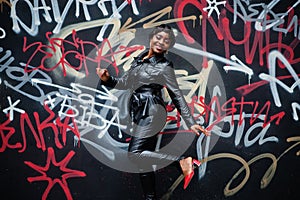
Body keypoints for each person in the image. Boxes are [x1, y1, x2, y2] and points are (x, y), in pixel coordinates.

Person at [97, 24, 210, 200]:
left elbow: (177, 95)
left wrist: (191, 121)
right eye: (158, 38)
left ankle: (181, 161)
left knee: (134, 155)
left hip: (153, 112)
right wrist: (107, 79)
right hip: (140, 113)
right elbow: (124, 84)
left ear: (168, 46)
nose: (161, 42)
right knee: (144, 164)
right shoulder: (139, 60)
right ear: (151, 38)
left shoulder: (165, 66)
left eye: (166, 40)